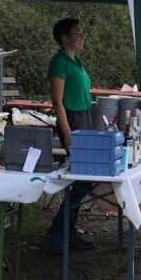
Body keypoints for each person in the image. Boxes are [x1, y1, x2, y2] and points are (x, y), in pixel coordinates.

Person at [44, 18, 95, 254]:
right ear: (64, 38)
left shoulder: (76, 61)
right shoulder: (59, 63)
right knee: (80, 179)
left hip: (84, 117)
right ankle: (58, 232)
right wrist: (66, 132)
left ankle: (67, 230)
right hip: (72, 120)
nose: (81, 36)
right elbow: (58, 102)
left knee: (83, 179)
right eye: (77, 33)